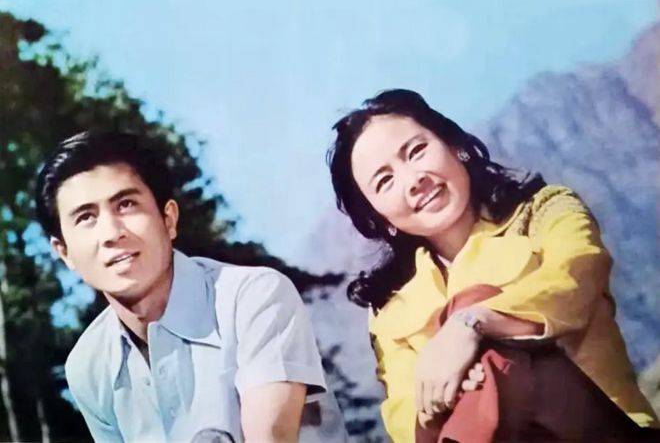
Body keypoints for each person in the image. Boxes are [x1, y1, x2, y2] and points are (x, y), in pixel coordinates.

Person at [327, 89, 659, 442]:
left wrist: (473, 324)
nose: (413, 180)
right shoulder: (389, 306)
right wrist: (454, 389)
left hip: (607, 431)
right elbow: (405, 417)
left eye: (416, 151)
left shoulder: (546, 211)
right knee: (481, 372)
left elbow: (576, 277)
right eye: (385, 181)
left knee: (488, 338)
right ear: (380, 219)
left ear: (455, 145)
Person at [35, 131, 346, 443]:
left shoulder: (255, 297)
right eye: (86, 217)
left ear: (169, 219)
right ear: (64, 252)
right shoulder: (88, 364)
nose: (112, 233)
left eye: (126, 204)